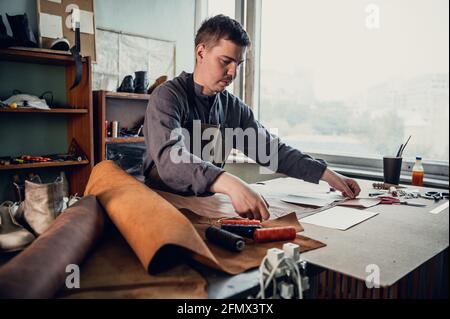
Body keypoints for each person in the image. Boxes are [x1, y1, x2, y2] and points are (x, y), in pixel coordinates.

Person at [143, 14, 361, 221]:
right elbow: (171, 159)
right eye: (225, 61)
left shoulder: (233, 108)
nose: (232, 73)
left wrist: (328, 174)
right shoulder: (167, 96)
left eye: (237, 64)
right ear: (201, 53)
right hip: (163, 209)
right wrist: (230, 183)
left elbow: (273, 151)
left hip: (206, 206)